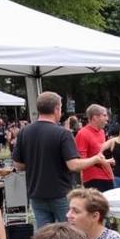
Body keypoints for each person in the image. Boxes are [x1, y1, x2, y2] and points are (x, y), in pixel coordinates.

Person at [12, 91, 109, 227]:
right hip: (60, 193)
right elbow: (73, 165)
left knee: (45, 237)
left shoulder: (24, 132)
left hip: (36, 192)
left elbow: (18, 164)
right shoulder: (63, 133)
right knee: (71, 233)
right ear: (57, 108)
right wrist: (96, 159)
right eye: (61, 108)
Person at [76, 104, 115, 192]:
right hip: (93, 179)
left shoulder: (101, 132)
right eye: (104, 115)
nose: (107, 119)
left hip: (107, 176)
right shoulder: (82, 134)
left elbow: (101, 153)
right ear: (95, 117)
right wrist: (103, 161)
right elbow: (81, 161)